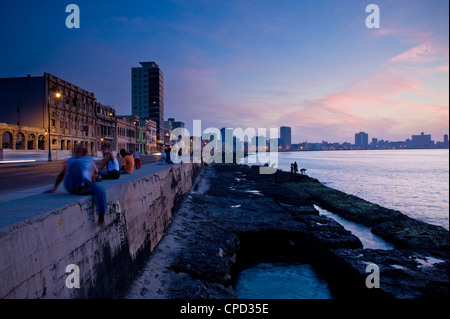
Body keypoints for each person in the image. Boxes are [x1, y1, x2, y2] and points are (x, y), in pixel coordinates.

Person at [44, 146, 106, 224]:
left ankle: (101, 218)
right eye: (78, 153)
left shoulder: (89, 160)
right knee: (77, 163)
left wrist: (94, 186)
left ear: (85, 154)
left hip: (86, 183)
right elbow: (62, 174)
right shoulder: (71, 160)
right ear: (76, 153)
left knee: (100, 191)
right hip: (72, 184)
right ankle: (79, 186)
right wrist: (55, 188)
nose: (80, 155)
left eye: (81, 153)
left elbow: (94, 173)